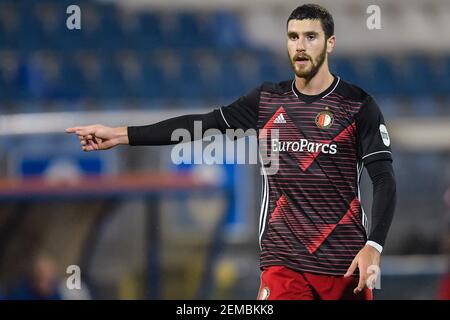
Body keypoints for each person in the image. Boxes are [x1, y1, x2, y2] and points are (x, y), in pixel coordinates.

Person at [66, 4, 396, 300]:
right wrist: (120, 134)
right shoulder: (267, 100)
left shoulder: (357, 105)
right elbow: (201, 124)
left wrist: (374, 245)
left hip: (344, 265)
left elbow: (384, 180)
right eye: (293, 37)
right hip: (283, 263)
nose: (300, 45)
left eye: (311, 37)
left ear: (330, 43)